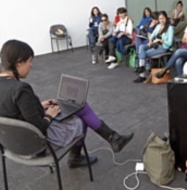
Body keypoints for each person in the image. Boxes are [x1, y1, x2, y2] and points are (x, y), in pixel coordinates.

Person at [0, 40, 134, 168]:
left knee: (79, 107)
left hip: (12, 145)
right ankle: (84, 153)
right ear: (18, 62)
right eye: (29, 61)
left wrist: (39, 106)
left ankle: (111, 139)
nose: (31, 65)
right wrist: (49, 116)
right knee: (81, 116)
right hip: (36, 146)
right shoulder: (20, 89)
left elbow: (13, 111)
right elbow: (39, 127)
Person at [133, 11, 174, 83]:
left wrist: (161, 40)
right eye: (160, 18)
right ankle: (142, 67)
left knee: (144, 53)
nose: (161, 20)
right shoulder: (158, 26)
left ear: (166, 18)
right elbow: (152, 35)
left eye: (163, 18)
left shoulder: (170, 28)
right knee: (141, 47)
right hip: (155, 45)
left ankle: (142, 74)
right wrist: (151, 41)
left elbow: (169, 43)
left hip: (163, 47)